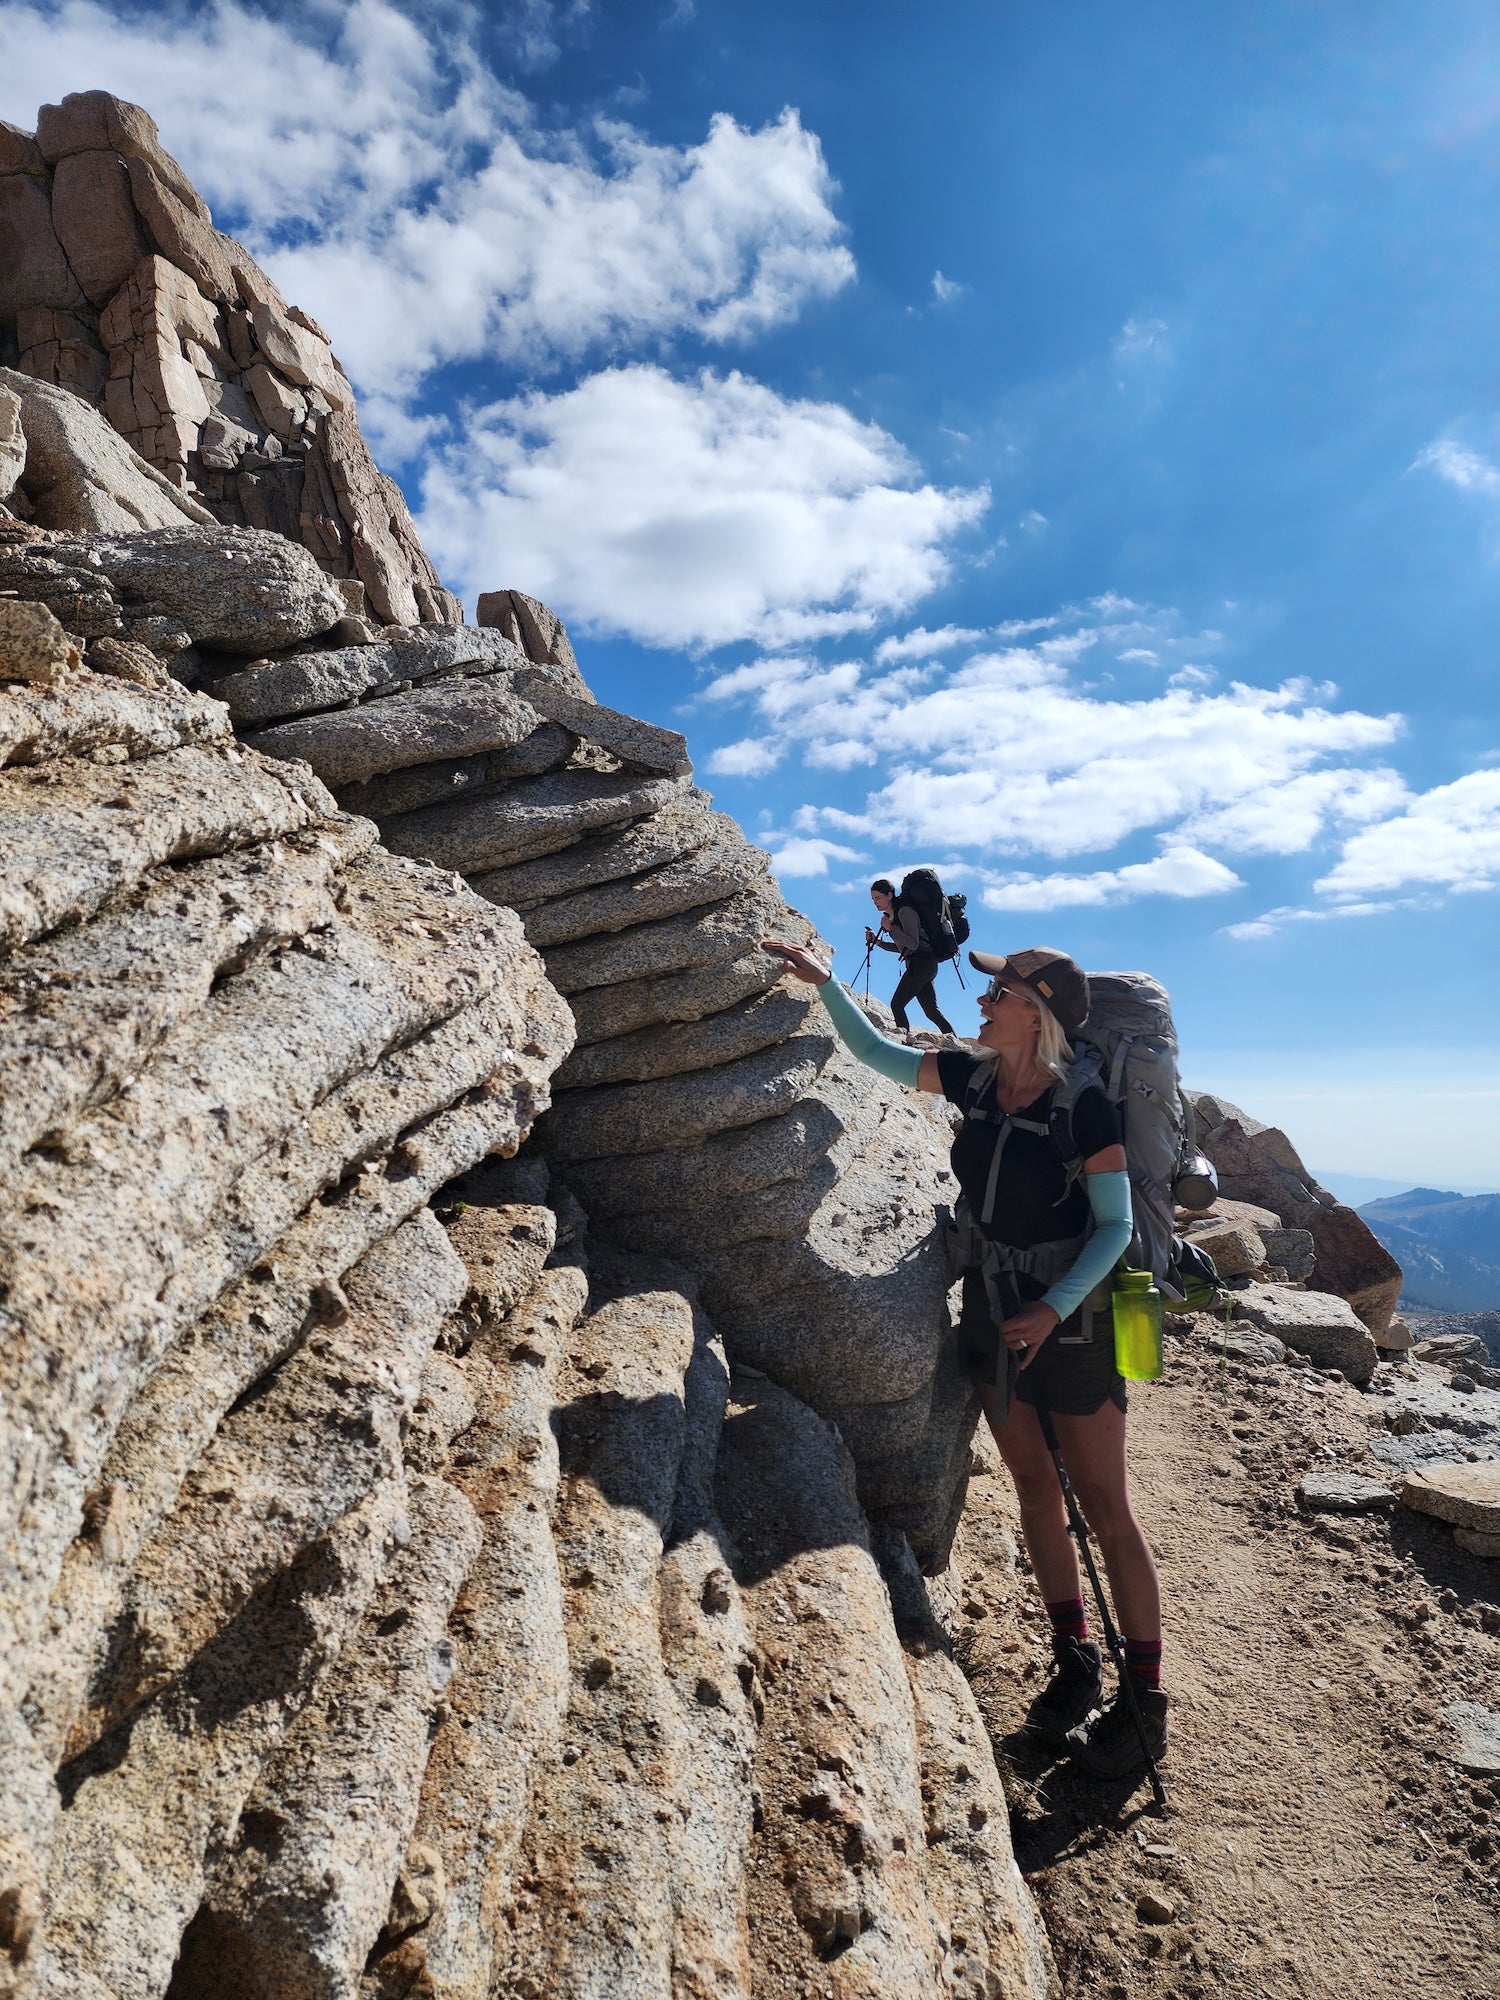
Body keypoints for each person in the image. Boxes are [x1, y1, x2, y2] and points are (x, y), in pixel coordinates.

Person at [760, 934, 1168, 1779]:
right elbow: (878, 1054)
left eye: (1000, 990)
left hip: (1074, 1322)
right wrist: (828, 985)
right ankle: (1074, 1663)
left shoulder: (1082, 1105)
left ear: (1037, 1010)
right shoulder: (977, 1079)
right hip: (989, 1310)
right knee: (1032, 1488)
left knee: (1103, 1502)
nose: (979, 999)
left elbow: (1117, 1227)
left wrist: (1054, 1310)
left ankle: (1145, 1702)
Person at [865, 878, 954, 1037]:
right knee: (931, 1011)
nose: (875, 902)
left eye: (878, 898)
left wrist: (890, 928)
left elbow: (912, 944)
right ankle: (957, 1045)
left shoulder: (904, 912)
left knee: (897, 1004)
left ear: (890, 895)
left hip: (922, 963)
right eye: (873, 899)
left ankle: (904, 1042)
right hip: (923, 964)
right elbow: (903, 948)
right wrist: (877, 942)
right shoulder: (894, 915)